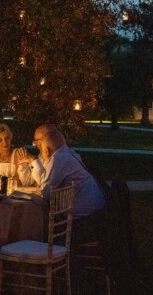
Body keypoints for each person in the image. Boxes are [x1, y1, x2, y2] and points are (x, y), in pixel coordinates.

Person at [23, 124, 106, 295]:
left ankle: (45, 280)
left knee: (40, 233)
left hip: (87, 223)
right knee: (45, 230)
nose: (36, 146)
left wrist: (39, 161)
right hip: (97, 216)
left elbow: (45, 192)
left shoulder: (60, 159)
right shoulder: (66, 154)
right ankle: (60, 279)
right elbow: (45, 184)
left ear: (46, 146)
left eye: (38, 143)